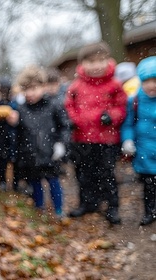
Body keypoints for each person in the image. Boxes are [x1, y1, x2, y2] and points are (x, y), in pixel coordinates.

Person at [64, 41, 127, 224]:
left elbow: (121, 107)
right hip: (81, 137)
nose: (96, 65)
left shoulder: (114, 84)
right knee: (84, 173)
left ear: (108, 61)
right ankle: (88, 202)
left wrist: (112, 116)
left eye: (101, 60)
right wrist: (73, 121)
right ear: (82, 64)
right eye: (91, 62)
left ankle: (112, 206)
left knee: (106, 173)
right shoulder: (76, 86)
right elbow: (69, 106)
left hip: (106, 138)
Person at [7, 66, 69, 218]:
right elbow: (18, 132)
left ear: (43, 86)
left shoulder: (53, 105)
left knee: (54, 182)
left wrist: (61, 144)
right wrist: (13, 123)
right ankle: (39, 208)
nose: (30, 93)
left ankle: (59, 210)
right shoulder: (21, 109)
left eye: (34, 88)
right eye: (26, 89)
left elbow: (65, 126)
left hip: (50, 153)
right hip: (31, 154)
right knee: (35, 183)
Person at [121, 56, 156, 226]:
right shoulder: (134, 100)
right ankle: (150, 211)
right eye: (147, 81)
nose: (152, 85)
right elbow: (128, 124)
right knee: (148, 186)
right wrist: (127, 140)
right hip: (144, 151)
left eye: (155, 80)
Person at [0, 77, 18, 191]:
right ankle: (2, 181)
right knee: (0, 160)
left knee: (11, 160)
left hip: (10, 135)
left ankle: (13, 184)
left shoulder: (13, 103)